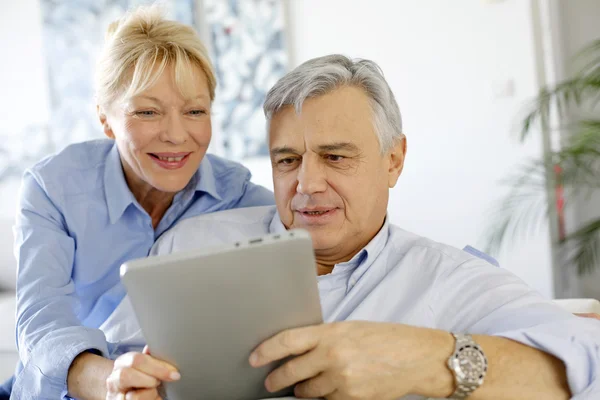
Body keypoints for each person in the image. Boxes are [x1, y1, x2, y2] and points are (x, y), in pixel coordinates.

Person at [98, 54, 600, 400]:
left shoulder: (449, 279)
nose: (307, 184)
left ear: (394, 161)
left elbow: (587, 361)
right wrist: (118, 382)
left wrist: (428, 359)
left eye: (336, 157)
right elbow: (108, 365)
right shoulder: (192, 245)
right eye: (288, 160)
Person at [4, 6, 275, 400]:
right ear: (105, 118)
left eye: (195, 111)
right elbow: (41, 324)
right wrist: (112, 382)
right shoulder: (54, 188)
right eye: (148, 112)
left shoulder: (242, 199)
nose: (176, 135)